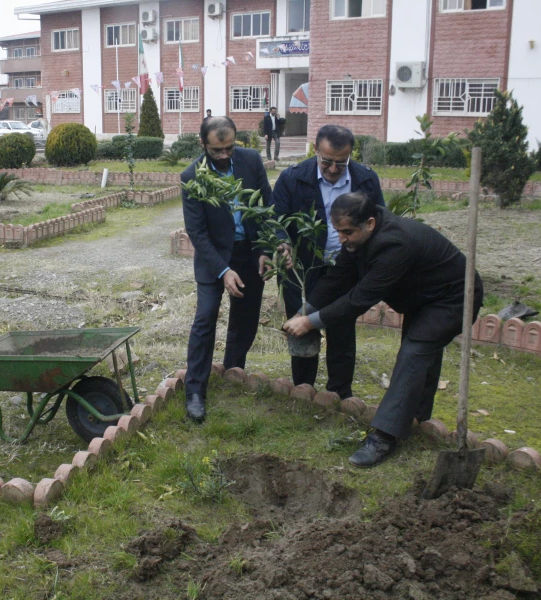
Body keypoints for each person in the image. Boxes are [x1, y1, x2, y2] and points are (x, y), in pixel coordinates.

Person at [283, 192, 483, 468]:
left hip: (454, 297)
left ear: (371, 223)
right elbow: (339, 277)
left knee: (415, 352)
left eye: (347, 232)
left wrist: (310, 322)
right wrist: (304, 310)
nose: (341, 238)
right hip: (423, 296)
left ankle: (385, 437)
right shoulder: (359, 240)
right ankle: (419, 418)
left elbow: (359, 298)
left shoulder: (394, 244)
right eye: (338, 231)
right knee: (424, 352)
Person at [273, 125, 384, 396]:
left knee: (342, 329)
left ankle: (339, 392)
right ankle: (303, 389)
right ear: (315, 151)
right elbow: (275, 219)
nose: (333, 168)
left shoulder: (365, 180)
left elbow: (378, 221)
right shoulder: (292, 178)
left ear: (350, 155)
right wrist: (282, 241)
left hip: (346, 269)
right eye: (327, 161)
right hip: (302, 269)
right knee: (302, 327)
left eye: (341, 162)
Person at [181, 116, 273, 423]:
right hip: (213, 258)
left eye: (229, 148)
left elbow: (264, 209)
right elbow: (198, 234)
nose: (224, 156)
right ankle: (195, 390)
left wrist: (263, 250)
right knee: (205, 317)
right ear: (203, 144)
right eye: (217, 150)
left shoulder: (251, 161)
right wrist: (223, 270)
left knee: (245, 318)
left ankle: (233, 370)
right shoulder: (192, 176)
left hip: (249, 253)